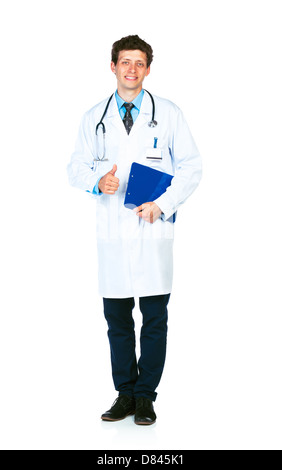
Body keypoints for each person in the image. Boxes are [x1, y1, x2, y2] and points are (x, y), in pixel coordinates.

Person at [67, 35, 202, 425]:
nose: (131, 69)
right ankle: (125, 393)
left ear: (147, 69)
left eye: (139, 63)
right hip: (112, 234)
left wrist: (162, 204)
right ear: (113, 67)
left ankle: (146, 396)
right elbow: (75, 166)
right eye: (124, 62)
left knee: (155, 319)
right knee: (118, 321)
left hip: (153, 230)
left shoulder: (170, 113)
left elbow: (192, 166)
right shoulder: (95, 116)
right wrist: (97, 181)